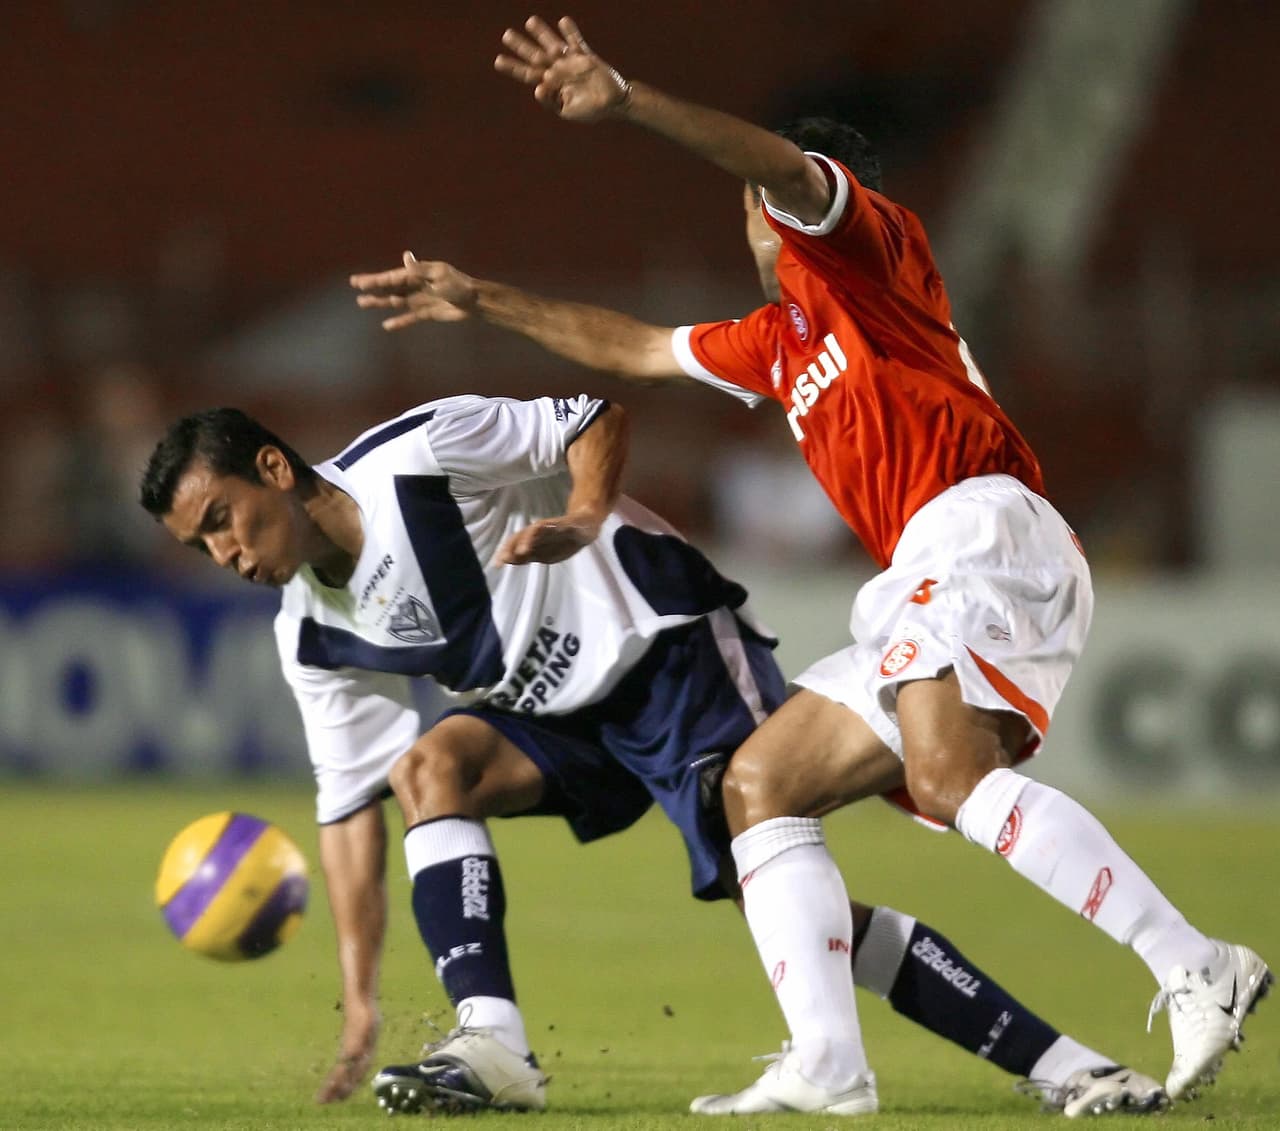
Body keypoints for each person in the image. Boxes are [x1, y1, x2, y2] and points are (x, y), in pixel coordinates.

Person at [347, 14, 1272, 1116]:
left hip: (980, 524)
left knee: (943, 778)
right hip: (924, 566)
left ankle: (1189, 962)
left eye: (755, 197)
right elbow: (636, 348)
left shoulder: (866, 254)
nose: (752, 210)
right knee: (760, 784)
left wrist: (628, 99)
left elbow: (784, 165)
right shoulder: (778, 341)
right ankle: (829, 1064)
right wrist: (482, 299)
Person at [140, 396, 1165, 1119]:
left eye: (222, 519)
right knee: (427, 771)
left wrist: (581, 516)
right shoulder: (307, 634)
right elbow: (347, 815)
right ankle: (492, 1041)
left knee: (780, 906)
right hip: (556, 721)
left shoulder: (416, 457)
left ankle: (1064, 1066)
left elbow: (590, 416)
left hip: (662, 648)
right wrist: (360, 997)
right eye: (202, 546)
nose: (225, 553)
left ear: (272, 468)